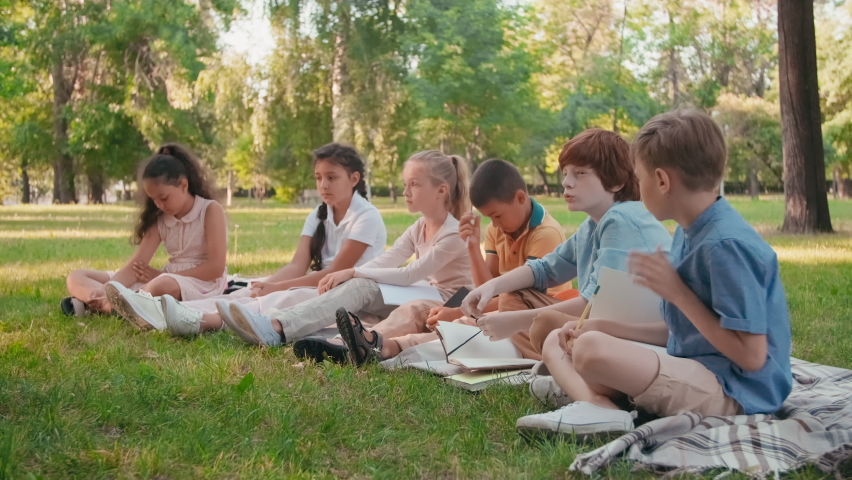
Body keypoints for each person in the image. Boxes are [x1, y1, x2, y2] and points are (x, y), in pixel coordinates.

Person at [515, 109, 793, 439]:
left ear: (662, 180)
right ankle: (597, 401)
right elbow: (682, 333)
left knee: (590, 351)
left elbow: (752, 356)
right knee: (563, 340)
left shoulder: (725, 246)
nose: (638, 186)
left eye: (639, 177)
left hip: (737, 392)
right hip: (697, 365)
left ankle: (595, 406)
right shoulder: (690, 233)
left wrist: (678, 293)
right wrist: (604, 325)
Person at [107, 143, 388, 336]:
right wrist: (267, 284)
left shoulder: (366, 217)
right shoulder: (318, 214)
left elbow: (334, 274)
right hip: (320, 283)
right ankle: (165, 311)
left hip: (346, 289)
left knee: (285, 297)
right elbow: (296, 265)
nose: (323, 185)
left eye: (331, 177)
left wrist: (277, 287)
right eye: (318, 178)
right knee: (246, 292)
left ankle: (196, 321)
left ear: (353, 179)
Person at [224, 151, 474, 358]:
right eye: (405, 184)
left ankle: (278, 329)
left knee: (362, 285)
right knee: (359, 287)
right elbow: (388, 259)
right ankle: (282, 326)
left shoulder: (453, 233)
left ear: (441, 190)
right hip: (426, 292)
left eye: (415, 184)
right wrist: (352, 275)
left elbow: (410, 274)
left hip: (449, 303)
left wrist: (354, 271)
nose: (406, 191)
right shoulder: (419, 227)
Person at [329, 158, 573, 363]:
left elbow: (516, 300)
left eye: (497, 215)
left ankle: (383, 347)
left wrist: (457, 310)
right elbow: (487, 286)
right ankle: (359, 342)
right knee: (426, 310)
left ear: (520, 198)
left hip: (536, 319)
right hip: (502, 307)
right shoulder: (498, 230)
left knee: (465, 323)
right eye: (490, 218)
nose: (495, 224)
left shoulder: (545, 234)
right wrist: (473, 248)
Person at [461, 129, 672, 359]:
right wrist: (491, 287)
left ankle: (555, 361)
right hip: (605, 328)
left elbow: (595, 305)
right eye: (565, 173)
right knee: (514, 297)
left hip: (643, 339)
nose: (566, 182)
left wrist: (515, 322)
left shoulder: (621, 220)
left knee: (544, 323)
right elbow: (546, 269)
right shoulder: (593, 225)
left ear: (617, 181)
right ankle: (554, 360)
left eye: (580, 173)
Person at [62, 144, 228, 328]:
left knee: (161, 286)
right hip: (164, 278)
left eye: (163, 198)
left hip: (201, 283)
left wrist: (162, 276)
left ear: (183, 185)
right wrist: (106, 290)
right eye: (154, 199)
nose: (159, 205)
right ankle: (105, 304)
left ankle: (101, 305)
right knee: (77, 276)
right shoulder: (161, 219)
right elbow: (136, 266)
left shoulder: (210, 210)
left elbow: (216, 267)